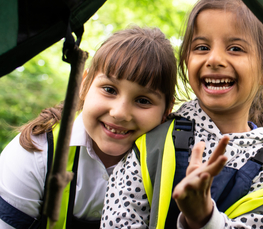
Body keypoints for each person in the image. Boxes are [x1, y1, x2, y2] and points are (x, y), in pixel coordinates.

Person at [101, 0, 263, 229]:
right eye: (201, 47)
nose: (214, 59)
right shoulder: (154, 140)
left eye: (235, 48)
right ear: (186, 60)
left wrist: (204, 218)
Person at [0, 26, 177, 229]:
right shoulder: (35, 153)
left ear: (167, 110)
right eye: (109, 90)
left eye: (143, 100)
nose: (119, 113)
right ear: (83, 85)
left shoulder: (175, 164)